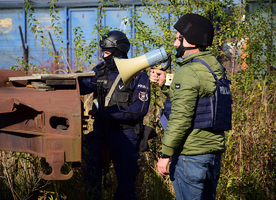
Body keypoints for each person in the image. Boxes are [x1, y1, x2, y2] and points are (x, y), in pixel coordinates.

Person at [150, 14, 228, 200]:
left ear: (190, 40)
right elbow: (200, 91)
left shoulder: (188, 71)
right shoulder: (214, 66)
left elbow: (180, 119)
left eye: (179, 38)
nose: (176, 44)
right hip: (211, 156)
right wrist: (167, 80)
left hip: (189, 157)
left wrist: (165, 154)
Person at [80, 30, 150, 200]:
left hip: (125, 134)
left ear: (119, 52)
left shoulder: (137, 75)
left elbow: (140, 108)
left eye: (107, 53)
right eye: (102, 52)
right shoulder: (100, 71)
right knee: (89, 176)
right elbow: (82, 87)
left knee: (126, 184)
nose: (103, 56)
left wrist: (112, 114)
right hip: (101, 133)